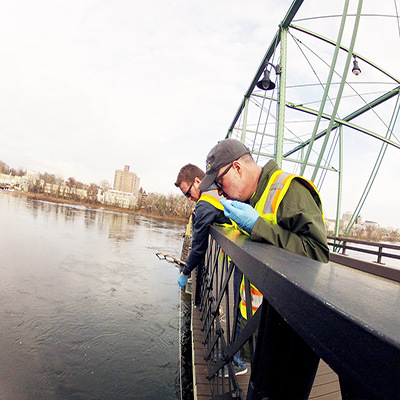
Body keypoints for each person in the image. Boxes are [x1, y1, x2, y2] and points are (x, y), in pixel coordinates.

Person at [198, 138, 330, 362]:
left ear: (237, 168)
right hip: (258, 313)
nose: (220, 192)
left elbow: (317, 256)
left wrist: (256, 226)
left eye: (220, 182)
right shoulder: (252, 199)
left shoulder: (290, 190)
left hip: (285, 324)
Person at [175, 163, 248, 375]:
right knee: (242, 308)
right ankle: (238, 356)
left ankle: (239, 362)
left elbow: (198, 248)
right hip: (244, 251)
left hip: (245, 258)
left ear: (197, 182)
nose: (189, 198)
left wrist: (185, 272)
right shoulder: (219, 190)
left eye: (188, 192)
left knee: (243, 309)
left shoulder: (205, 204)